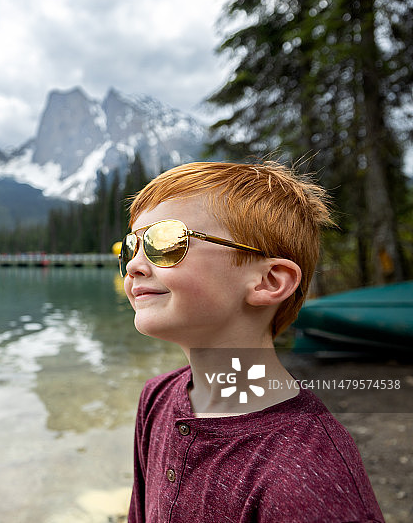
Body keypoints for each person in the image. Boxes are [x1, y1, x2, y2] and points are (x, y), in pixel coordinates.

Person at [120, 161, 384, 522]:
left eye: (165, 241)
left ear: (269, 281)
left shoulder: (306, 479)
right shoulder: (157, 396)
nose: (134, 264)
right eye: (130, 247)